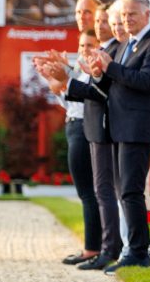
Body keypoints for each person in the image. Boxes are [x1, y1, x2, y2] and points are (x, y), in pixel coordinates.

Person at [80, 0, 150, 274]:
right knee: (124, 192)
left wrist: (111, 67)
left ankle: (138, 253)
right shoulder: (127, 45)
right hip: (119, 129)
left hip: (137, 130)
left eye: (133, 14)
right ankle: (134, 249)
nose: (127, 19)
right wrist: (96, 73)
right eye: (124, 14)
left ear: (147, 15)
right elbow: (110, 85)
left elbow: (147, 81)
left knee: (130, 191)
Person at [36, 28, 103, 267]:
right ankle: (92, 246)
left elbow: (84, 101)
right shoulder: (80, 69)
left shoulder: (92, 71)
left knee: (88, 192)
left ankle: (92, 248)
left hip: (84, 128)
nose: (85, 50)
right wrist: (55, 81)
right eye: (82, 45)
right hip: (74, 125)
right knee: (87, 192)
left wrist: (62, 81)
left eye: (90, 45)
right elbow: (68, 101)